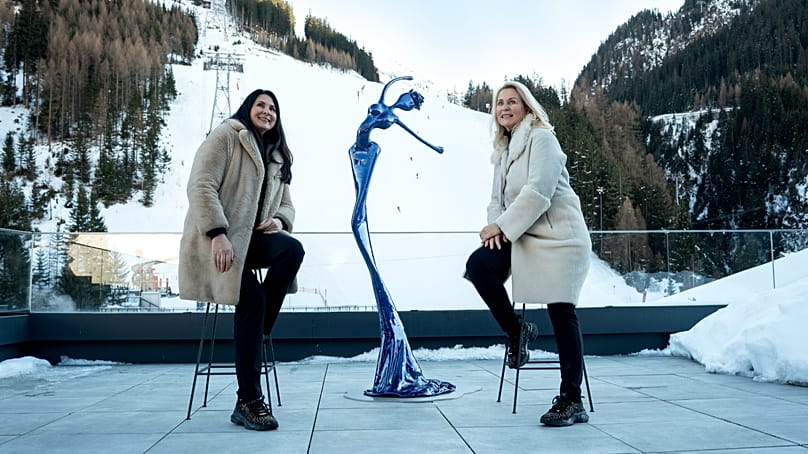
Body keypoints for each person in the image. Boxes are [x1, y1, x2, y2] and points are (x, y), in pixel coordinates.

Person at [464, 80, 591, 427]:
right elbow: (495, 200)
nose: (504, 107)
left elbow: (539, 192)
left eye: (512, 102)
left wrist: (502, 227)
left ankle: (571, 399)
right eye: (499, 103)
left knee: (561, 310)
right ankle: (518, 331)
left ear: (527, 107)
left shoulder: (542, 138)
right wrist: (495, 230)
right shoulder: (503, 150)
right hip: (521, 234)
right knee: (479, 265)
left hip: (558, 237)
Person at [179, 89, 304, 431]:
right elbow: (200, 186)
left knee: (292, 250)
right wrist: (218, 233)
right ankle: (248, 400)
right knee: (251, 300)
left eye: (273, 108)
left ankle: (259, 328)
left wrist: (280, 221)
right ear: (248, 108)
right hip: (215, 241)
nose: (267, 111)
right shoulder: (226, 136)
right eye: (261, 105)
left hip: (250, 242)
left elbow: (287, 203)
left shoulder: (278, 155)